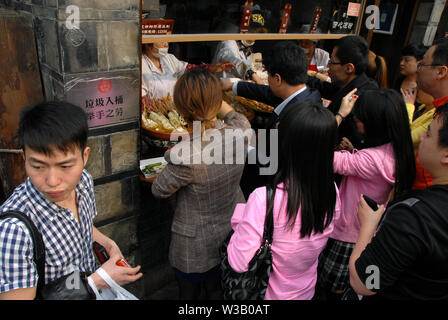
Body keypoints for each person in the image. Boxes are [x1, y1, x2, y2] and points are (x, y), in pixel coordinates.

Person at [0, 101, 143, 300]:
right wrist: (96, 280)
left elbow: (82, 226)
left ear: (85, 157)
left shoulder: (83, 182)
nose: (52, 181)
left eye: (65, 166)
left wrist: (107, 243)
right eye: (38, 167)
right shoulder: (14, 230)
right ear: (24, 157)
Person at [151, 69, 252, 300]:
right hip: (230, 230)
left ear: (181, 109)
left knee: (189, 294)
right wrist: (216, 101)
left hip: (193, 243)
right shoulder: (241, 132)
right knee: (217, 289)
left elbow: (159, 189)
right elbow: (234, 116)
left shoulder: (184, 155)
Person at [227, 101, 341, 300]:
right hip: (305, 291)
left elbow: (239, 262)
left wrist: (240, 215)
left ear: (285, 145)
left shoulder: (263, 199)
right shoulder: (332, 190)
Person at [315, 89, 416, 300]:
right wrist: (354, 152)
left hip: (346, 232)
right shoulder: (394, 150)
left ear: (375, 124)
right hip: (364, 232)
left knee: (329, 289)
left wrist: (341, 114)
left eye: (360, 119)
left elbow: (317, 153)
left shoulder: (370, 160)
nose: (357, 122)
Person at [349, 104, 448, 300]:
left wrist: (368, 226)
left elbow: (366, 283)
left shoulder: (414, 217)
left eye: (428, 134)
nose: (421, 138)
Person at [307, 35, 378, 150]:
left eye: (332, 62)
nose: (328, 66)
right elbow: (323, 87)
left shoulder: (361, 98)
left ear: (349, 68)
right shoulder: (350, 82)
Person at [141, 41, 234, 99]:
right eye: (161, 41)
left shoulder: (168, 58)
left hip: (176, 109)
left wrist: (209, 68)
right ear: (147, 44)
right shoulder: (142, 65)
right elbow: (141, 102)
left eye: (167, 40)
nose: (166, 44)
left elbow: (188, 69)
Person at [212, 10, 267, 83]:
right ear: (241, 28)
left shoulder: (248, 48)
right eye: (252, 30)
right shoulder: (228, 42)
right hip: (222, 91)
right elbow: (232, 60)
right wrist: (251, 74)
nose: (255, 35)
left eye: (258, 32)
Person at [396, 43, 433, 121]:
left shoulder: (426, 89)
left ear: (420, 62)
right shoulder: (400, 79)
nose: (401, 63)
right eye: (401, 59)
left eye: (407, 60)